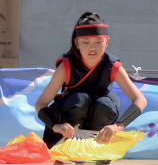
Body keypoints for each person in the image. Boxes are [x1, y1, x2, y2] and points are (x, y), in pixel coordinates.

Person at [34, 12, 147, 149]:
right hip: (67, 133)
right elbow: (41, 103)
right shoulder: (66, 67)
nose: (92, 47)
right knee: (80, 100)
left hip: (98, 129)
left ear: (107, 42)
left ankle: (99, 146)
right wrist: (56, 126)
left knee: (105, 103)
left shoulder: (113, 66)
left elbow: (140, 100)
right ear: (77, 43)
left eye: (98, 42)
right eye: (86, 42)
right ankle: (68, 145)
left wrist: (118, 126)